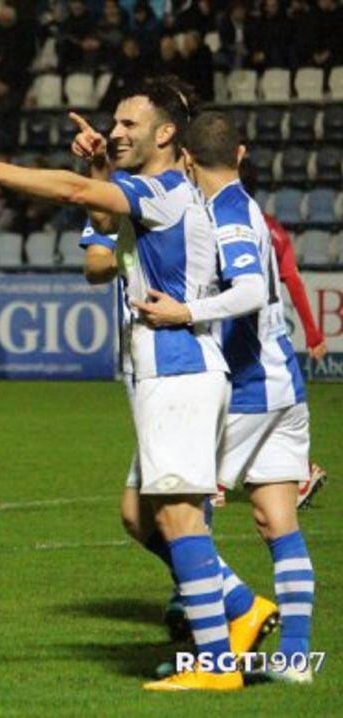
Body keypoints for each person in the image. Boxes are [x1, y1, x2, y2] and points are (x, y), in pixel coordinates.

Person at [0, 82, 267, 691]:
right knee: (142, 513)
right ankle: (235, 616)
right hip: (169, 369)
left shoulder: (168, 191)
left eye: (129, 124)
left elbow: (74, 194)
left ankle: (216, 664)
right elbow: (98, 217)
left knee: (178, 519)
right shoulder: (161, 191)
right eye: (114, 122)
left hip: (177, 368)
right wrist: (99, 167)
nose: (116, 130)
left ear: (167, 134)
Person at [134, 111, 316, 684]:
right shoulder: (250, 208)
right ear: (238, 154)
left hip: (248, 388)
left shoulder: (225, 212)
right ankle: (295, 658)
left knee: (158, 513)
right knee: (275, 520)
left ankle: (214, 653)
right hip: (283, 384)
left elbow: (252, 289)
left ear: (186, 158)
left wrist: (188, 311)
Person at [238, 161, 328, 508]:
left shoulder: (224, 223)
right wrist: (313, 333)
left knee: (227, 397)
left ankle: (298, 475)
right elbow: (293, 280)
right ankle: (300, 475)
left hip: (243, 329)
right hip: (267, 330)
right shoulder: (272, 228)